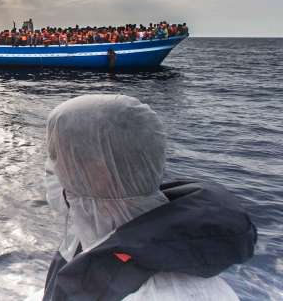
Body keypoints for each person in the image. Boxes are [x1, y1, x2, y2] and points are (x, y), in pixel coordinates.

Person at [40, 94, 256, 301]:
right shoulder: (98, 241)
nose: (50, 170)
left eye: (56, 158)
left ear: (98, 172)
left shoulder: (166, 294)